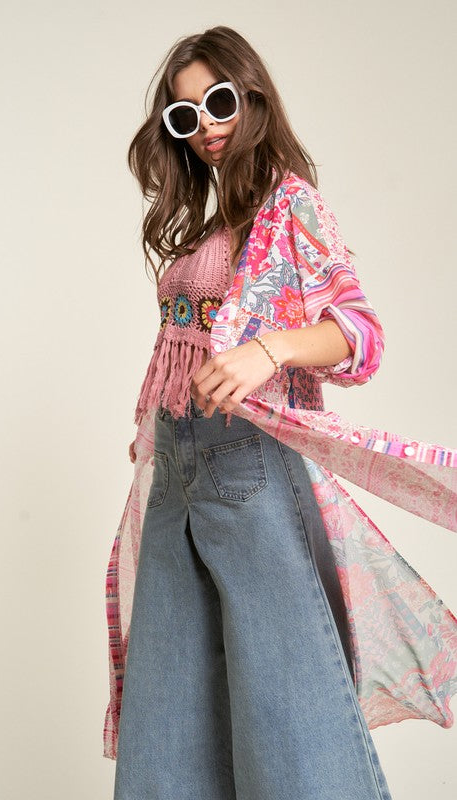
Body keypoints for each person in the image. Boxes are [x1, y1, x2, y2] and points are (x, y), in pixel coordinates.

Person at [105, 25, 457, 800]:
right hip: (180, 468)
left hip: (248, 466)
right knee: (167, 716)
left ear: (253, 96)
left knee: (286, 710)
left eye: (218, 102)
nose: (206, 127)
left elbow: (359, 335)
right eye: (183, 116)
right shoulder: (208, 221)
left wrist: (267, 352)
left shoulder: (290, 205)